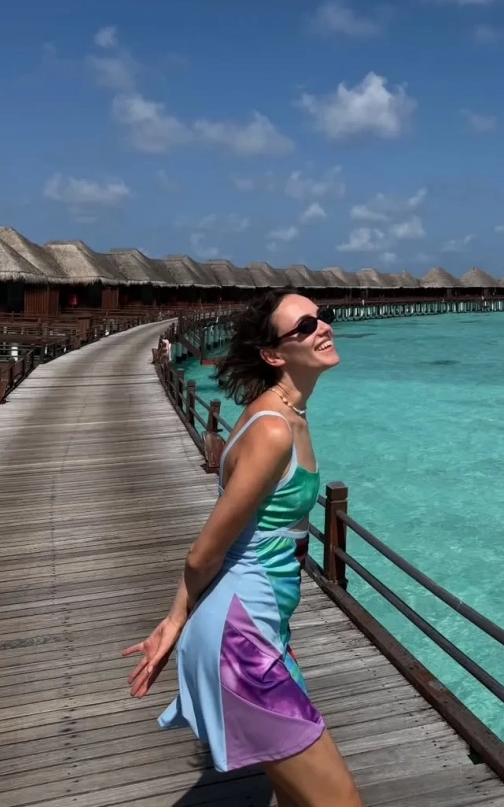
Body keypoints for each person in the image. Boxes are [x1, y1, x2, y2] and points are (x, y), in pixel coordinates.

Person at [123, 290, 361, 807]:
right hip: (240, 639)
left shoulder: (284, 415)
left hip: (262, 629)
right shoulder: (272, 430)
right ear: (273, 354)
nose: (323, 327)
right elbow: (204, 552)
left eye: (321, 317)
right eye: (304, 326)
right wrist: (174, 621)